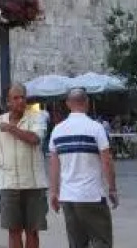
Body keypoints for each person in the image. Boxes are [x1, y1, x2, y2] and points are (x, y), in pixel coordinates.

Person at [0, 85, 50, 248]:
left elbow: (34, 139)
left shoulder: (36, 118)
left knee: (32, 231)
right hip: (9, 185)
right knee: (13, 231)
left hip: (34, 186)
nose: (21, 101)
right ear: (8, 102)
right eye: (16, 98)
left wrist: (10, 128)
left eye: (23, 97)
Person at [46, 87, 117, 248]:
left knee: (76, 244)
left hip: (68, 197)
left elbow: (54, 165)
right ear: (87, 103)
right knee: (101, 241)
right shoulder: (95, 128)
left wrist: (54, 193)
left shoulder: (57, 131)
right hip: (91, 196)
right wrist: (112, 189)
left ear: (68, 104)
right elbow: (107, 161)